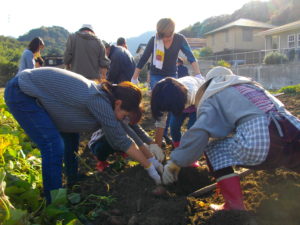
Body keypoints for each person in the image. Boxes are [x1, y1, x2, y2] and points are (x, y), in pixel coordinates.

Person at [4, 67, 162, 203]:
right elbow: (120, 139)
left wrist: (152, 159)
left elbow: (127, 129)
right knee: (53, 145)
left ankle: (72, 180)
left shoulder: (109, 99)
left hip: (35, 92)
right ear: (119, 104)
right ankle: (53, 202)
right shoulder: (99, 101)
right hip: (22, 92)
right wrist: (148, 167)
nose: (123, 118)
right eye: (125, 114)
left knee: (71, 139)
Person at [162, 66, 300, 211]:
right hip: (294, 129)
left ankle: (234, 206)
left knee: (213, 148)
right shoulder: (249, 85)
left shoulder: (213, 94)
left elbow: (201, 131)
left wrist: (176, 162)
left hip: (263, 141)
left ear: (208, 84)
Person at [131, 18, 202, 145]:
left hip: (172, 75)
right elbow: (144, 58)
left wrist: (198, 74)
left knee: (171, 104)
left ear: (173, 32)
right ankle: (160, 138)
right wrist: (134, 77)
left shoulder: (180, 39)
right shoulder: (154, 40)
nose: (165, 41)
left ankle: (165, 133)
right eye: (163, 38)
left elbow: (190, 56)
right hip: (156, 76)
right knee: (160, 105)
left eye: (168, 38)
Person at [88, 119, 164, 172]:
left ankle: (120, 157)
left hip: (117, 139)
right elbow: (134, 137)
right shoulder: (116, 116)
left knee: (125, 141)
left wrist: (152, 143)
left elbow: (139, 132)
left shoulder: (129, 115)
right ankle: (101, 161)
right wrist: (149, 158)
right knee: (101, 149)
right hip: (100, 141)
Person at [151, 76, 205, 149]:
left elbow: (202, 110)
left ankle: (192, 150)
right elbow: (160, 123)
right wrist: (157, 148)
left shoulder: (192, 92)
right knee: (173, 126)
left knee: (192, 128)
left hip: (198, 102)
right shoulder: (162, 96)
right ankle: (178, 147)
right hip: (181, 103)